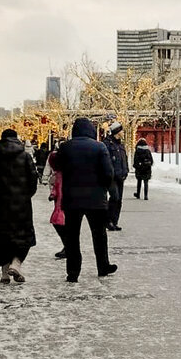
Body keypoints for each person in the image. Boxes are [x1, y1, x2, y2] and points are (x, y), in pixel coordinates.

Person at [51, 117, 117, 282]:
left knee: (72, 236)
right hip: (96, 200)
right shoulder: (99, 147)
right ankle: (103, 266)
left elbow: (57, 165)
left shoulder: (66, 147)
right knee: (99, 234)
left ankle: (73, 272)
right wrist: (104, 189)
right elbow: (108, 173)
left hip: (72, 200)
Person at [0, 129, 37, 284]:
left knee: (1, 237)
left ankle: (5, 273)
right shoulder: (25, 156)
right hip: (22, 204)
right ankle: (16, 263)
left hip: (0, 203)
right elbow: (33, 178)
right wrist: (26, 195)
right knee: (24, 236)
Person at [104, 122, 129, 231]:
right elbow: (106, 160)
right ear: (117, 132)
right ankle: (108, 221)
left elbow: (125, 159)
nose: (123, 133)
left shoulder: (120, 144)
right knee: (114, 197)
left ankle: (114, 221)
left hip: (121, 176)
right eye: (121, 131)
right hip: (112, 177)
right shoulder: (107, 144)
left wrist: (126, 170)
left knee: (119, 200)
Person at [46, 147, 67, 260]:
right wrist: (53, 194)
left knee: (60, 224)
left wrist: (53, 194)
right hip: (60, 203)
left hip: (62, 204)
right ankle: (67, 246)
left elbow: (57, 187)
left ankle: (68, 246)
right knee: (60, 224)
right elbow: (56, 187)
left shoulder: (60, 175)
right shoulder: (59, 175)